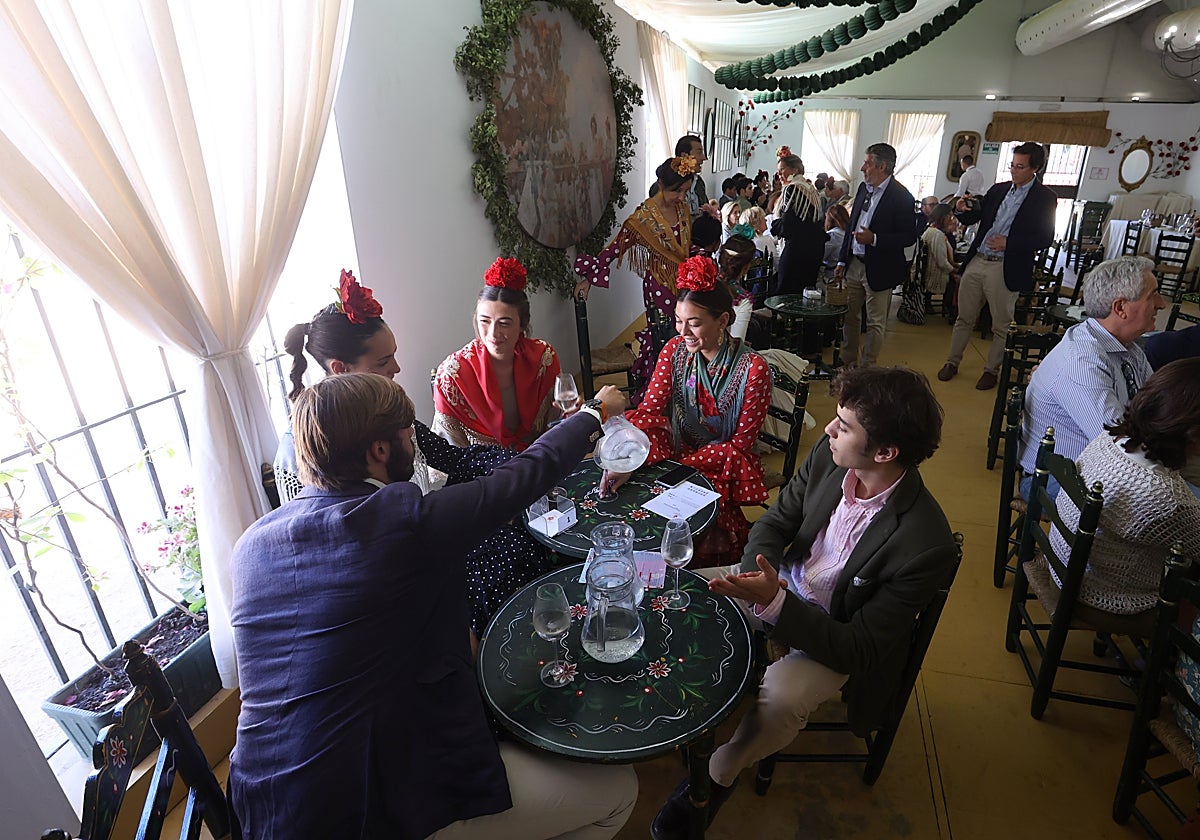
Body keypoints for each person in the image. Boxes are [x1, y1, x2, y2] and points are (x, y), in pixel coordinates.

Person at [232, 372, 636, 840]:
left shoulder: (251, 546)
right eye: (408, 431)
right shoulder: (400, 524)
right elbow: (524, 476)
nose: (415, 440)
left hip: (263, 808)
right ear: (380, 450)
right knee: (618, 791)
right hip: (368, 813)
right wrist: (593, 413)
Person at [649, 366, 957, 840]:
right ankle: (682, 714)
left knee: (782, 702)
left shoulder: (925, 542)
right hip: (783, 585)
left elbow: (858, 648)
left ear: (886, 452)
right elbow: (774, 523)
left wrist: (774, 604)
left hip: (831, 633)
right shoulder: (832, 457)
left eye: (845, 425)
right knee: (676, 593)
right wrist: (763, 574)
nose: (829, 429)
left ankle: (714, 777)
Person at [274, 270, 557, 637]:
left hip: (424, 534)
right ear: (340, 370)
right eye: (382, 363)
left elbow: (454, 460)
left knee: (521, 539)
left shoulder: (383, 409)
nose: (397, 368)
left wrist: (515, 464)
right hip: (391, 576)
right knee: (501, 566)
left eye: (393, 356)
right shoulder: (307, 453)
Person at [600, 256, 771, 566]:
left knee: (698, 532)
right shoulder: (674, 350)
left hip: (720, 465)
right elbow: (650, 411)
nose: (683, 331)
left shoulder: (753, 370)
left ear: (722, 321)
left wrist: (683, 468)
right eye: (679, 320)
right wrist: (629, 458)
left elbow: (739, 446)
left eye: (694, 323)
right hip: (678, 452)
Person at [1050, 358, 1200, 628]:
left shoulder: (1111, 438)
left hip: (1065, 564)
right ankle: (1168, 660)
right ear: (1192, 434)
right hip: (1103, 595)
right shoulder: (1167, 498)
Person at [1020, 255, 1165, 497]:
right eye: (1153, 295)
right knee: (1184, 514)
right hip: (1058, 478)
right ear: (1120, 308)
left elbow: (1156, 407)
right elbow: (1120, 446)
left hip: (1106, 467)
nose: (1161, 304)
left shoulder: (1129, 349)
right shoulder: (1083, 361)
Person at [938, 142, 1058, 390]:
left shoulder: (1044, 198)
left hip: (1005, 265)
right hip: (979, 259)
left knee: (1001, 324)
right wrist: (960, 210)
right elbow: (976, 216)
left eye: (1020, 167)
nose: (1014, 170)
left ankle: (991, 369)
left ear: (1035, 168)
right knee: (964, 317)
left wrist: (1009, 243)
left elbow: (1045, 237)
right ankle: (952, 361)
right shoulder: (999, 189)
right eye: (1012, 165)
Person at [576, 155, 698, 391]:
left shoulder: (682, 208)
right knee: (665, 339)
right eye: (677, 191)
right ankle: (663, 392)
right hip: (660, 288)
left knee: (687, 337)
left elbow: (685, 246)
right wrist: (589, 279)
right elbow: (615, 247)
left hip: (684, 285)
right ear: (661, 185)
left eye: (686, 191)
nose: (682, 198)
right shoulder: (644, 218)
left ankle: (686, 391)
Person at [434, 258, 561, 449]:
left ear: (522, 324)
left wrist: (573, 414)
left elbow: (557, 423)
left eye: (504, 323)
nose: (493, 334)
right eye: (484, 321)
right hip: (483, 472)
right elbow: (449, 452)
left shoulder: (543, 359)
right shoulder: (453, 376)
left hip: (539, 461)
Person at [835, 143, 919, 367]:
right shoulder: (864, 189)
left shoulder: (902, 197)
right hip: (855, 263)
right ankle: (847, 362)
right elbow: (851, 225)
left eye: (868, 163)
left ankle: (867, 368)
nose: (863, 168)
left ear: (882, 166)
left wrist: (875, 239)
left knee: (875, 323)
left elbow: (909, 236)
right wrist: (842, 259)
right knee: (850, 317)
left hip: (881, 267)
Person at [772, 145, 827, 296]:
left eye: (782, 169)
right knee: (804, 292)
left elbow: (788, 225)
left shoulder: (792, 189)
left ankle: (784, 319)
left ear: (794, 170)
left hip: (797, 250)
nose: (779, 174)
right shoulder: (809, 187)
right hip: (814, 248)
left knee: (786, 292)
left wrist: (775, 226)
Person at [649, 134, 709, 218]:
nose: (703, 158)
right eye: (699, 153)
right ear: (684, 156)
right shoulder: (662, 186)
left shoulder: (699, 182)